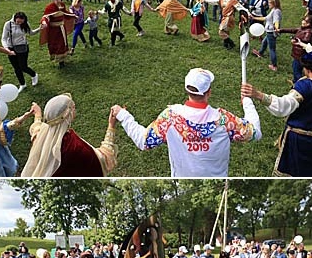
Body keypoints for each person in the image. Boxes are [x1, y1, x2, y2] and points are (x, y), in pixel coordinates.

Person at [112, 67, 261, 177]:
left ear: (187, 90)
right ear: (209, 92)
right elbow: (255, 133)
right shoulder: (225, 121)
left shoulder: (170, 118)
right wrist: (247, 102)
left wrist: (122, 115)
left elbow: (143, 141)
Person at [241, 51, 312, 177]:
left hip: (300, 144)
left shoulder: (307, 85)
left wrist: (258, 95)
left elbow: (283, 106)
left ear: (306, 69)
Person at [21, 93, 117, 177]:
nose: (75, 108)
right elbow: (103, 160)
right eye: (73, 107)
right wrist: (111, 126)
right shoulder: (74, 147)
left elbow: (37, 130)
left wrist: (37, 115)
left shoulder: (44, 135)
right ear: (68, 115)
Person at [1, 12, 39, 93]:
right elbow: (3, 38)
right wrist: (7, 49)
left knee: (23, 66)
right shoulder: (8, 24)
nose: (19, 23)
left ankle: (34, 75)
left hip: (22, 47)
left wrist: (40, 29)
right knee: (16, 68)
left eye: (21, 22)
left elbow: (31, 33)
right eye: (18, 22)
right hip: (11, 48)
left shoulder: (25, 23)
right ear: (14, 19)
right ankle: (22, 84)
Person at [39, 0, 76, 68]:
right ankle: (58, 60)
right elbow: (46, 17)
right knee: (56, 44)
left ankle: (62, 60)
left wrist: (73, 16)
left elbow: (65, 13)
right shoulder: (50, 7)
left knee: (63, 44)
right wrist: (44, 22)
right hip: (54, 30)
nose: (58, 1)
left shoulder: (62, 5)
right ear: (53, 0)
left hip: (62, 28)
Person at [278, 16, 312, 83]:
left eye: (306, 21)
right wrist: (281, 30)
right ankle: (295, 81)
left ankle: (299, 85)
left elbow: (306, 41)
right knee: (297, 68)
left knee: (297, 71)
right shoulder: (303, 29)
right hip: (298, 54)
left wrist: (295, 41)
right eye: (303, 20)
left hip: (300, 55)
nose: (303, 22)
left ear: (310, 24)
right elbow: (292, 30)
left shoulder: (309, 32)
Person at [251, 0, 282, 71]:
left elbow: (276, 21)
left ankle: (274, 66)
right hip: (269, 31)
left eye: (269, 3)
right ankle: (260, 53)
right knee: (264, 42)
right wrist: (254, 18)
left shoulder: (276, 11)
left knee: (272, 49)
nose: (268, 4)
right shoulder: (273, 10)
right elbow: (265, 18)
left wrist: (277, 28)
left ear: (274, 4)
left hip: (271, 32)